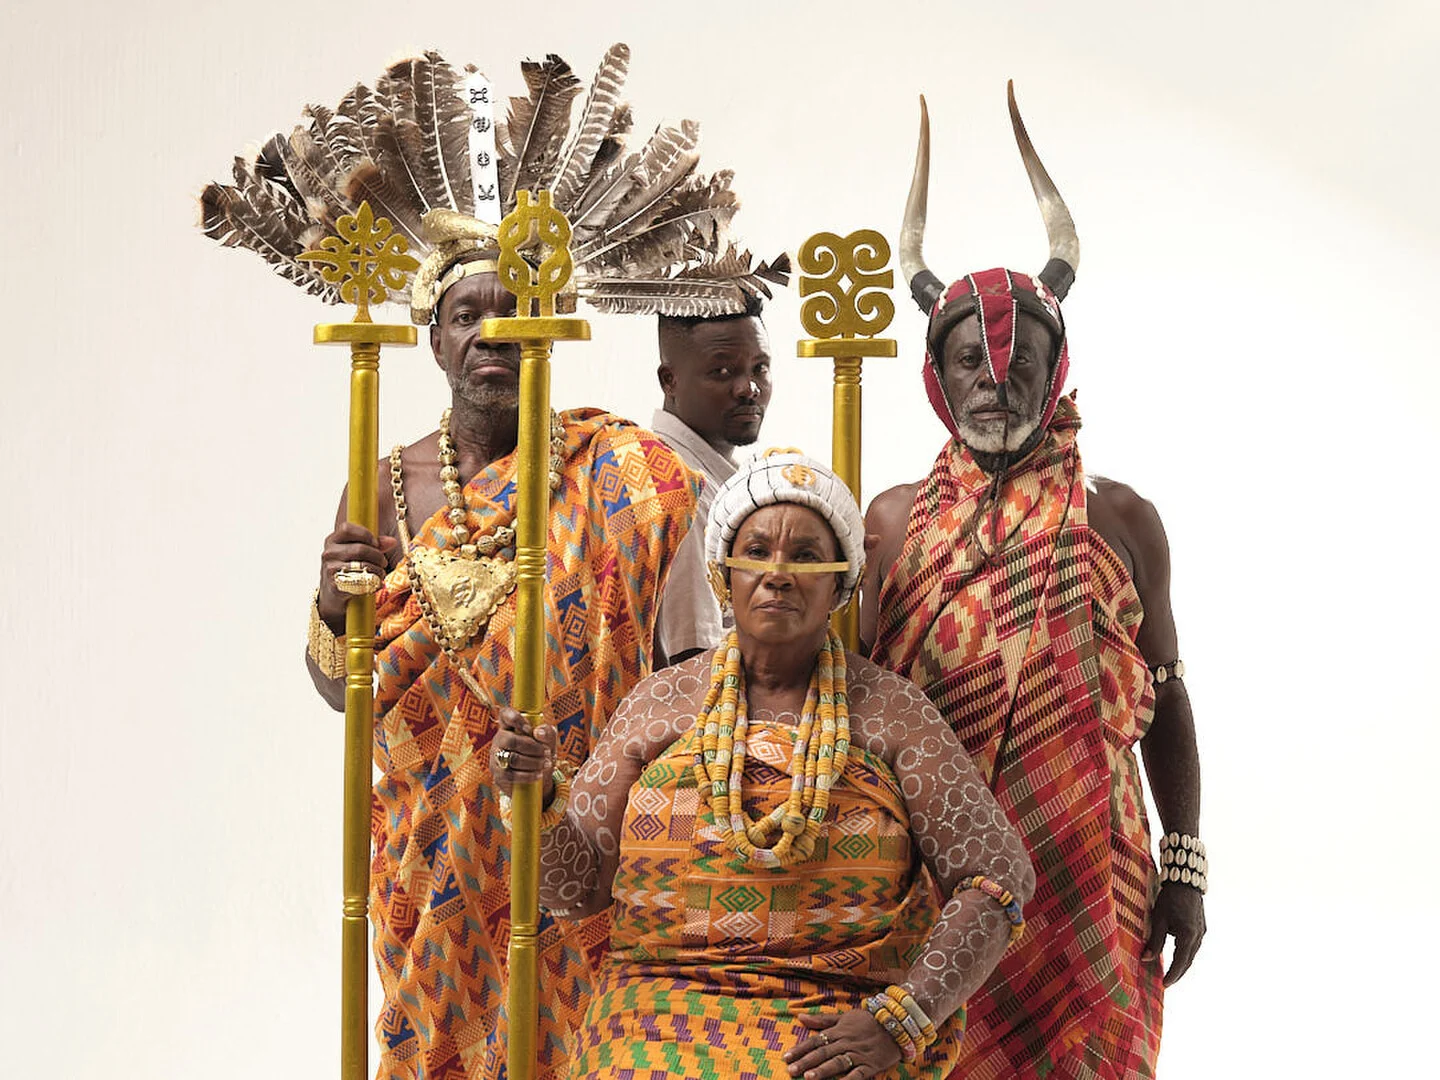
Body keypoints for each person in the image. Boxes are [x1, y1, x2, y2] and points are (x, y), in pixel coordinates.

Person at [201, 47, 789, 1080]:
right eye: (467, 316)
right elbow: (342, 693)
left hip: (573, 835)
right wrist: (331, 606)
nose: (492, 335)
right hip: (428, 855)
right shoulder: (381, 484)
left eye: (511, 313)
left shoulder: (627, 474)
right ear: (433, 339)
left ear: (547, 333)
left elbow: (690, 670)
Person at [861, 88, 1206, 1079]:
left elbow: (1167, 691)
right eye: (971, 359)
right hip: (936, 876)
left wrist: (1185, 862)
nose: (994, 381)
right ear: (938, 375)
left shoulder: (1121, 518)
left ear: (1056, 370)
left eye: (1021, 361)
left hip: (1098, 871)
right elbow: (854, 701)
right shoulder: (889, 521)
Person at [492, 451, 1035, 1080]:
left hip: (835, 1022)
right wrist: (536, 797)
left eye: (805, 556)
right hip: (654, 1013)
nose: (777, 574)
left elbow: (997, 878)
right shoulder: (659, 704)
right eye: (756, 551)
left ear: (841, 583)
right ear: (725, 575)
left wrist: (902, 1020)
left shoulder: (894, 713)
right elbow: (574, 891)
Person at [651, 293, 777, 666]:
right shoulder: (680, 487)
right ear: (670, 381)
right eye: (722, 371)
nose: (748, 388)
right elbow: (693, 662)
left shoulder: (716, 479)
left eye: (760, 368)